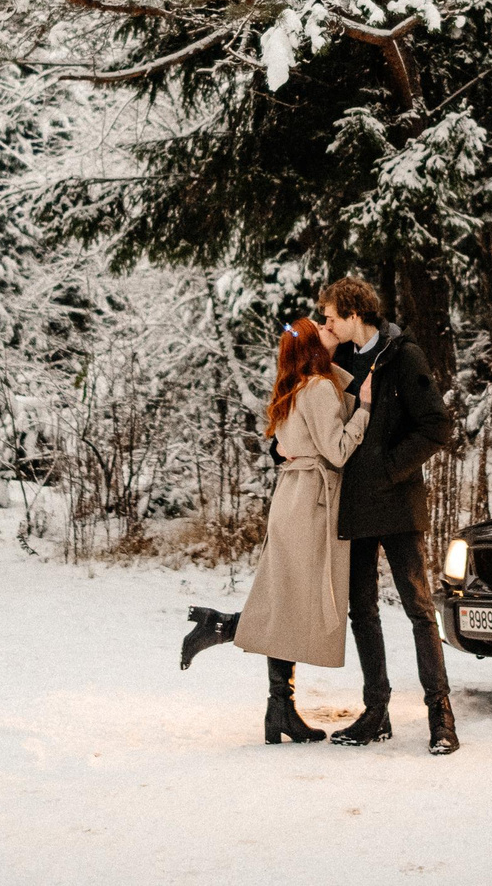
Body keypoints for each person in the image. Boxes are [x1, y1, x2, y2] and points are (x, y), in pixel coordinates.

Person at [177, 315, 372, 743]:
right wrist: (367, 410)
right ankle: (227, 630)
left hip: (292, 499)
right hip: (310, 505)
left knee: (286, 600)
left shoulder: (295, 388)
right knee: (294, 605)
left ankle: (278, 708)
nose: (327, 326)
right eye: (319, 327)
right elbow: (338, 451)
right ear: (311, 347)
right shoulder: (318, 388)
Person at [319, 276, 459, 756]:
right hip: (353, 505)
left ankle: (441, 716)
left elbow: (438, 426)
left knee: (420, 610)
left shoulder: (405, 356)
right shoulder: (338, 360)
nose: (327, 323)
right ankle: (376, 712)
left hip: (397, 504)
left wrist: (390, 466)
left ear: (355, 314)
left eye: (332, 316)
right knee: (363, 612)